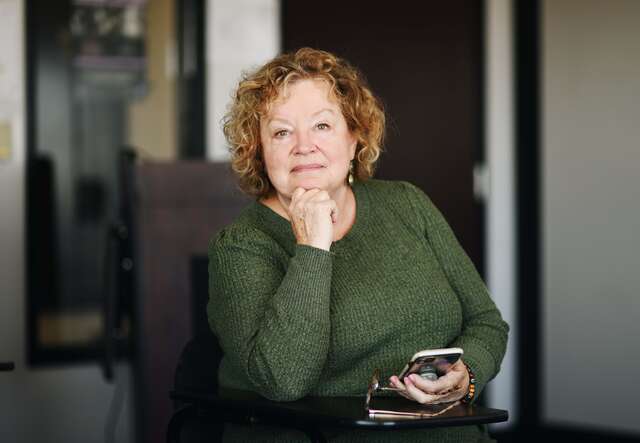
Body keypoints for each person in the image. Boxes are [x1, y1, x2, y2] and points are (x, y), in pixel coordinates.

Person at [207, 47, 509, 442]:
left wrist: (467, 375)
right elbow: (282, 380)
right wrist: (313, 246)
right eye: (281, 132)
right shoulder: (240, 246)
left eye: (322, 126)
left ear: (354, 139)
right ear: (259, 153)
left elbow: (486, 322)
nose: (303, 145)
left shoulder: (406, 203)